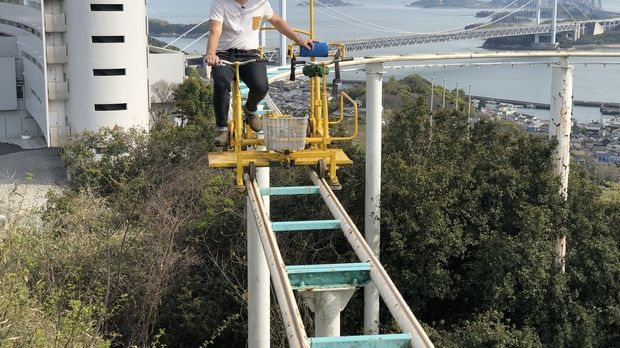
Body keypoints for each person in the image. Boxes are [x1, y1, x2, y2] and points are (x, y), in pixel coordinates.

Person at [206, 0, 313, 146]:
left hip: (250, 54)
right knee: (221, 84)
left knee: (261, 85)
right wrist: (211, 53)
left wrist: (297, 39)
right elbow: (215, 29)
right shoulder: (221, 3)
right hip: (224, 54)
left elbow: (276, 20)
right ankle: (222, 128)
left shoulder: (260, 3)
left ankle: (250, 110)